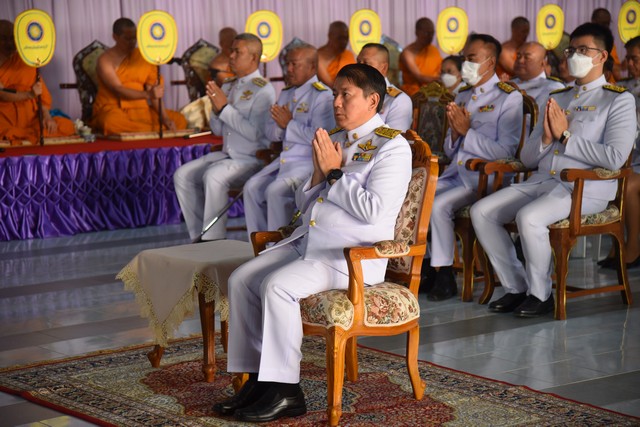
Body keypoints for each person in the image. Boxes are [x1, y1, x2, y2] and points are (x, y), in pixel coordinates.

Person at [214, 63, 412, 423]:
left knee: (277, 287)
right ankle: (256, 380)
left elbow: (374, 212)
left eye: (345, 95)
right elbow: (311, 207)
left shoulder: (392, 146)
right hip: (311, 243)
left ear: (372, 100)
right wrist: (321, 176)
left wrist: (335, 174)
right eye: (335, 93)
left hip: (348, 257)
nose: (336, 102)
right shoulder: (338, 138)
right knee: (241, 279)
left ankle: (286, 391)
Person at [470, 23, 636, 317]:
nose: (575, 55)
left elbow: (614, 158)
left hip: (585, 187)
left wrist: (566, 137)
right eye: (572, 50)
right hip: (542, 180)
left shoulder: (617, 99)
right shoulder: (558, 97)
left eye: (584, 50)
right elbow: (529, 157)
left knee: (529, 217)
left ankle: (540, 293)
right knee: (481, 212)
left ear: (603, 56)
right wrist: (547, 138)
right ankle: (516, 287)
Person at [422, 34, 523, 301]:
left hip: (486, 177)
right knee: (416, 195)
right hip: (457, 173)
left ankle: (443, 273)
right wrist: (456, 135)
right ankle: (425, 265)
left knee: (438, 205)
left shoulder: (508, 97)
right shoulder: (463, 94)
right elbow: (449, 148)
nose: (465, 64)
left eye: (471, 59)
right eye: (464, 58)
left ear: (490, 62)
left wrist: (467, 132)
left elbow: (506, 153)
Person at [173, 33, 276, 242]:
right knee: (183, 174)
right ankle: (197, 237)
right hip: (227, 155)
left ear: (254, 58)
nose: (231, 56)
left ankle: (213, 240)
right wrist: (216, 109)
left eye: (238, 52)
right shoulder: (228, 85)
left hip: (252, 158)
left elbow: (256, 134)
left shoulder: (262, 89)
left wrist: (224, 108)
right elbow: (219, 131)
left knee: (214, 175)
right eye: (232, 50)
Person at [243, 43, 335, 237]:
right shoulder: (286, 93)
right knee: (251, 187)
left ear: (312, 67)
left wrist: (289, 124)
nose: (289, 69)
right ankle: (259, 243)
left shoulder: (322, 95)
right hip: (283, 162)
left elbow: (321, 136)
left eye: (294, 64)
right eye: (287, 64)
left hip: (308, 163)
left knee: (275, 192)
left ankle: (277, 248)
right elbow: (269, 132)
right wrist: (281, 127)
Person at [91, 18, 187, 135]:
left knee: (179, 120)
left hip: (142, 111)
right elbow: (118, 89)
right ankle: (152, 131)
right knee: (110, 122)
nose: (132, 42)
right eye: (127, 39)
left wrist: (165, 118)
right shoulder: (105, 60)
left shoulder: (143, 57)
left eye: (134, 38)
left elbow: (153, 91)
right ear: (115, 37)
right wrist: (147, 95)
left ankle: (147, 130)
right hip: (115, 109)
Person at [599, 35, 640, 269]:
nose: (630, 64)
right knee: (614, 179)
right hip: (626, 160)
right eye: (628, 59)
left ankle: (633, 246)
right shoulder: (622, 88)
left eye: (635, 59)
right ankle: (618, 245)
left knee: (628, 184)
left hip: (635, 165)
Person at [0, 20, 75, 145]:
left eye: (12, 38)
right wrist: (29, 95)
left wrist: (47, 117)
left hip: (30, 119)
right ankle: (21, 135)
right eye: (3, 38)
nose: (9, 43)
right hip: (4, 118)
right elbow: (2, 94)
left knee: (65, 125)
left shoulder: (25, 62)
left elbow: (41, 96)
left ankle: (23, 135)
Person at [357, 43, 413, 131]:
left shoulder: (398, 100)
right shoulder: (354, 94)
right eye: (358, 62)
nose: (358, 68)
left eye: (366, 64)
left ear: (383, 68)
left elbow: (394, 141)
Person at [511, 42, 565, 110]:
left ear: (543, 63)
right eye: (518, 56)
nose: (520, 61)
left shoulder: (553, 87)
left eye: (527, 57)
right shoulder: (508, 83)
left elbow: (536, 117)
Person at [399, 17, 442, 96]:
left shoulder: (433, 50)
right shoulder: (408, 53)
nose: (430, 37)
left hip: (435, 89)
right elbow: (419, 77)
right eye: (426, 33)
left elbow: (440, 69)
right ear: (417, 32)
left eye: (432, 33)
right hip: (415, 92)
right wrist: (440, 79)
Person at [317, 21, 356, 87]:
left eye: (346, 38)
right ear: (330, 35)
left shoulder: (348, 54)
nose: (344, 42)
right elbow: (332, 86)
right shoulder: (318, 57)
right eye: (340, 38)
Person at [591, 7, 622, 82]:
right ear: (593, 22)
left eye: (607, 24)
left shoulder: (609, 42)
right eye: (603, 23)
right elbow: (615, 71)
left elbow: (616, 67)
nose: (606, 27)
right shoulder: (588, 42)